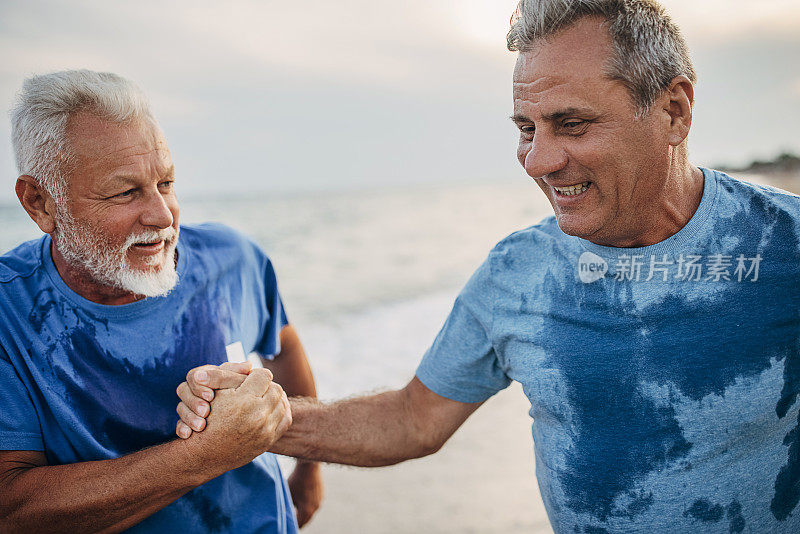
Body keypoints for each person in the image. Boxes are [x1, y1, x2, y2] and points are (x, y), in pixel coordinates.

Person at [177, 0, 800, 532]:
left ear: (674, 111)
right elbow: (412, 419)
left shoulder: (784, 247)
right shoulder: (517, 274)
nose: (537, 159)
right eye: (526, 128)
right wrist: (262, 420)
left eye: (572, 124)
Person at [0, 69, 323, 532]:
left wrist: (308, 471)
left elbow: (283, 346)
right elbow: (12, 508)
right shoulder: (9, 312)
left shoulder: (232, 257)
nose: (161, 215)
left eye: (166, 183)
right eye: (126, 191)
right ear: (40, 203)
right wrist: (206, 454)